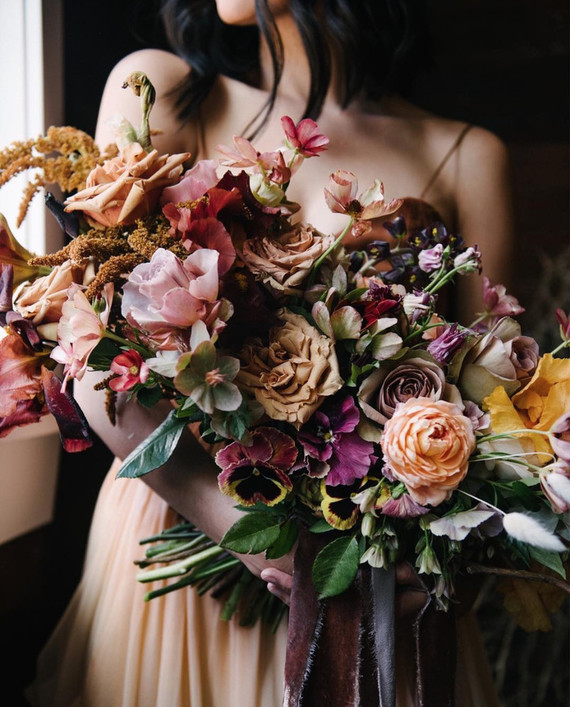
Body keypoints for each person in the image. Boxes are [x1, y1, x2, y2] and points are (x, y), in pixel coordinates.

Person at [28, 1, 513, 705]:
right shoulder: (160, 91)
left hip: (378, 586)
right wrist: (256, 539)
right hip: (185, 558)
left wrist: (450, 558)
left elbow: (499, 428)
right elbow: (98, 364)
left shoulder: (469, 155)